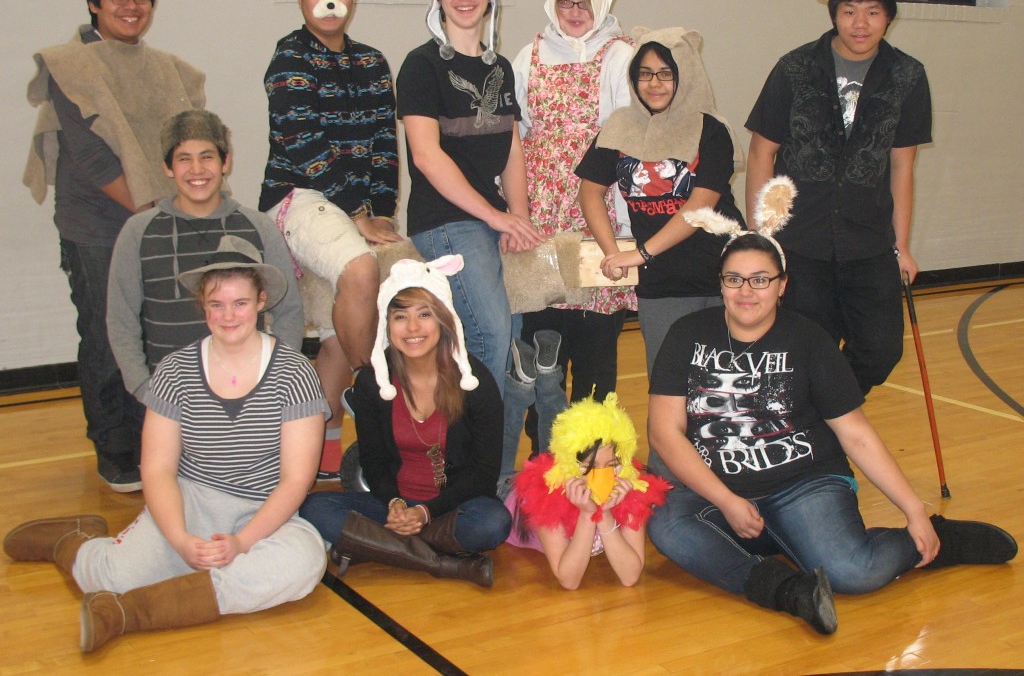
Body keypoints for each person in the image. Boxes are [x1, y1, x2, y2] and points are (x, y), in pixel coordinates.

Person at [645, 178, 1017, 635]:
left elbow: (855, 433)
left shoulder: (810, 341)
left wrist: (914, 511)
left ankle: (942, 540)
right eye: (734, 279)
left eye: (761, 280)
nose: (747, 291)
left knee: (853, 573)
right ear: (720, 284)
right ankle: (784, 589)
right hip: (718, 490)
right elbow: (664, 432)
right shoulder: (687, 334)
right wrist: (726, 499)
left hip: (801, 484)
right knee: (666, 526)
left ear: (782, 286)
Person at [3, 239, 328, 652]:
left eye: (240, 303)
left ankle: (125, 613)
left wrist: (243, 542)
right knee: (111, 575)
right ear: (202, 307)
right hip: (191, 501)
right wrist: (178, 539)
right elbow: (156, 469)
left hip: (264, 512)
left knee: (304, 563)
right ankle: (73, 541)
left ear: (261, 301)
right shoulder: (175, 370)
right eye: (216, 304)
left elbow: (296, 480)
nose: (228, 316)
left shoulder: (294, 372)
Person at [24, 0, 205, 492]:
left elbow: (186, 144)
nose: (130, 7)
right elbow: (94, 160)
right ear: (92, 4)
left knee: (162, 334)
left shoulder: (168, 68)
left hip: (157, 217)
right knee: (108, 336)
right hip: (99, 227)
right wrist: (159, 214)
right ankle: (116, 446)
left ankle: (159, 438)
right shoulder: (69, 64)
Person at [745, 0, 932, 395]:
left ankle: (827, 409)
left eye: (872, 11)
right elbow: (761, 152)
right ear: (834, 15)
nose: (860, 23)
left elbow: (903, 165)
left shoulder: (908, 75)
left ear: (888, 18)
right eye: (849, 11)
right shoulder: (794, 68)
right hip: (800, 242)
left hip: (869, 242)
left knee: (881, 349)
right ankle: (823, 429)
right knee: (808, 345)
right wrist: (761, 234)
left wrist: (901, 247)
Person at [259, 0, 402, 475]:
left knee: (350, 317)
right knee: (361, 270)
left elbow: (386, 145)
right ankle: (374, 394)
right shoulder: (289, 58)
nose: (330, 1)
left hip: (358, 206)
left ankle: (317, 447)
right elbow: (303, 143)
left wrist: (381, 211)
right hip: (299, 196)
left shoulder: (371, 61)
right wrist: (356, 214)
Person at [300, 256, 511, 587]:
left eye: (424, 315)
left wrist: (425, 513)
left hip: (450, 507)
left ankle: (372, 546)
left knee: (492, 523)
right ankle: (445, 564)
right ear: (387, 323)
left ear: (444, 320)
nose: (412, 329)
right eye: (400, 317)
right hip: (392, 507)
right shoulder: (372, 383)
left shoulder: (475, 382)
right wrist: (395, 504)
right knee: (313, 506)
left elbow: (483, 474)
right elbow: (373, 462)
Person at [396, 0, 543, 404]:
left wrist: (516, 218)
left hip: (490, 219)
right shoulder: (421, 66)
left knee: (513, 342)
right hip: (446, 223)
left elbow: (513, 150)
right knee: (489, 340)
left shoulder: (500, 67)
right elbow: (426, 155)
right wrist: (495, 216)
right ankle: (477, 469)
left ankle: (497, 471)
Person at [509, 0, 636, 456]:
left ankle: (593, 458)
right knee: (540, 348)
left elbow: (628, 143)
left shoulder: (619, 55)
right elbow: (513, 141)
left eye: (583, 3)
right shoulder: (529, 55)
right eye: (565, 3)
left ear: (601, 4)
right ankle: (547, 459)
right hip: (540, 220)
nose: (574, 13)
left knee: (596, 349)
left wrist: (623, 227)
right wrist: (512, 213)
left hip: (596, 214)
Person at [576, 27, 745, 375]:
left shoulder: (710, 129)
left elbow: (700, 205)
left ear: (685, 76)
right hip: (661, 284)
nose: (655, 83)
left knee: (725, 388)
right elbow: (589, 191)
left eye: (666, 74)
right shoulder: (619, 127)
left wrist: (640, 254)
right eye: (646, 73)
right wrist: (613, 253)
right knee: (669, 386)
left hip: (721, 275)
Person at [108, 110, 304, 405]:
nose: (197, 169)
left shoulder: (258, 227)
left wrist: (273, 380)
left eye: (207, 157)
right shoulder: (138, 232)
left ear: (226, 162)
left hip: (249, 394)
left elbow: (288, 311)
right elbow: (121, 321)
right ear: (167, 167)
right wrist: (144, 390)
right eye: (184, 158)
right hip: (165, 397)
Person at [507, 393, 669, 589]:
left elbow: (630, 576)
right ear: (570, 465)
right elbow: (569, 580)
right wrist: (587, 514)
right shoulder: (547, 493)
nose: (601, 475)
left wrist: (605, 514)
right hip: (512, 507)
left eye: (611, 464)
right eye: (589, 468)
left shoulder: (627, 485)